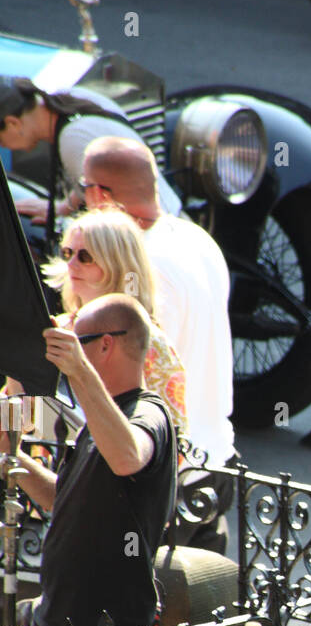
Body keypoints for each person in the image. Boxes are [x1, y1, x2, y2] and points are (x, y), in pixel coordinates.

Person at [80, 137, 237, 551]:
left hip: (171, 471)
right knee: (208, 609)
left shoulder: (139, 265)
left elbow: (130, 371)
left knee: (147, 609)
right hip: (216, 457)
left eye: (81, 189)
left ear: (98, 194)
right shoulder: (194, 238)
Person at [1, 294, 176, 626]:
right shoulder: (99, 420)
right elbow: (62, 499)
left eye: (78, 345)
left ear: (106, 345)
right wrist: (12, 458)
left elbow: (128, 457)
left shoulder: (147, 414)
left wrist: (79, 370)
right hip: (57, 623)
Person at [33, 207, 187, 441]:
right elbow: (19, 413)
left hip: (110, 472)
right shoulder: (57, 328)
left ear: (117, 263)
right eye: (67, 253)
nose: (72, 264)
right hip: (51, 471)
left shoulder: (150, 342)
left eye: (85, 257)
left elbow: (173, 439)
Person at [0, 76, 182, 241]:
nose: (3, 146)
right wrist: (64, 207)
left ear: (13, 123)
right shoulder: (74, 97)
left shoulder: (72, 139)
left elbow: (106, 224)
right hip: (175, 224)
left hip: (155, 240)